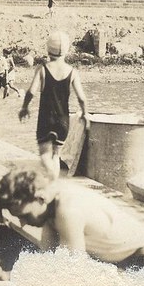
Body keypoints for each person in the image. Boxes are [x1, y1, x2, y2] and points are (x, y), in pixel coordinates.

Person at [0, 165, 144, 279]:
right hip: (117, 262)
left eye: (25, 216)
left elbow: (72, 271)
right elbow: (48, 262)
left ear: (40, 198)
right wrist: (10, 277)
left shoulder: (68, 210)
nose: (23, 224)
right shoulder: (50, 209)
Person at [19, 31, 90, 178]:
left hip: (45, 120)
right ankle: (54, 185)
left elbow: (31, 92)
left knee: (45, 155)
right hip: (63, 121)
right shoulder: (72, 72)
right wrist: (85, 114)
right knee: (56, 155)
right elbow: (82, 98)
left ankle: (52, 182)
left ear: (48, 49)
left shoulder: (42, 69)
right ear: (66, 50)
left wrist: (24, 108)